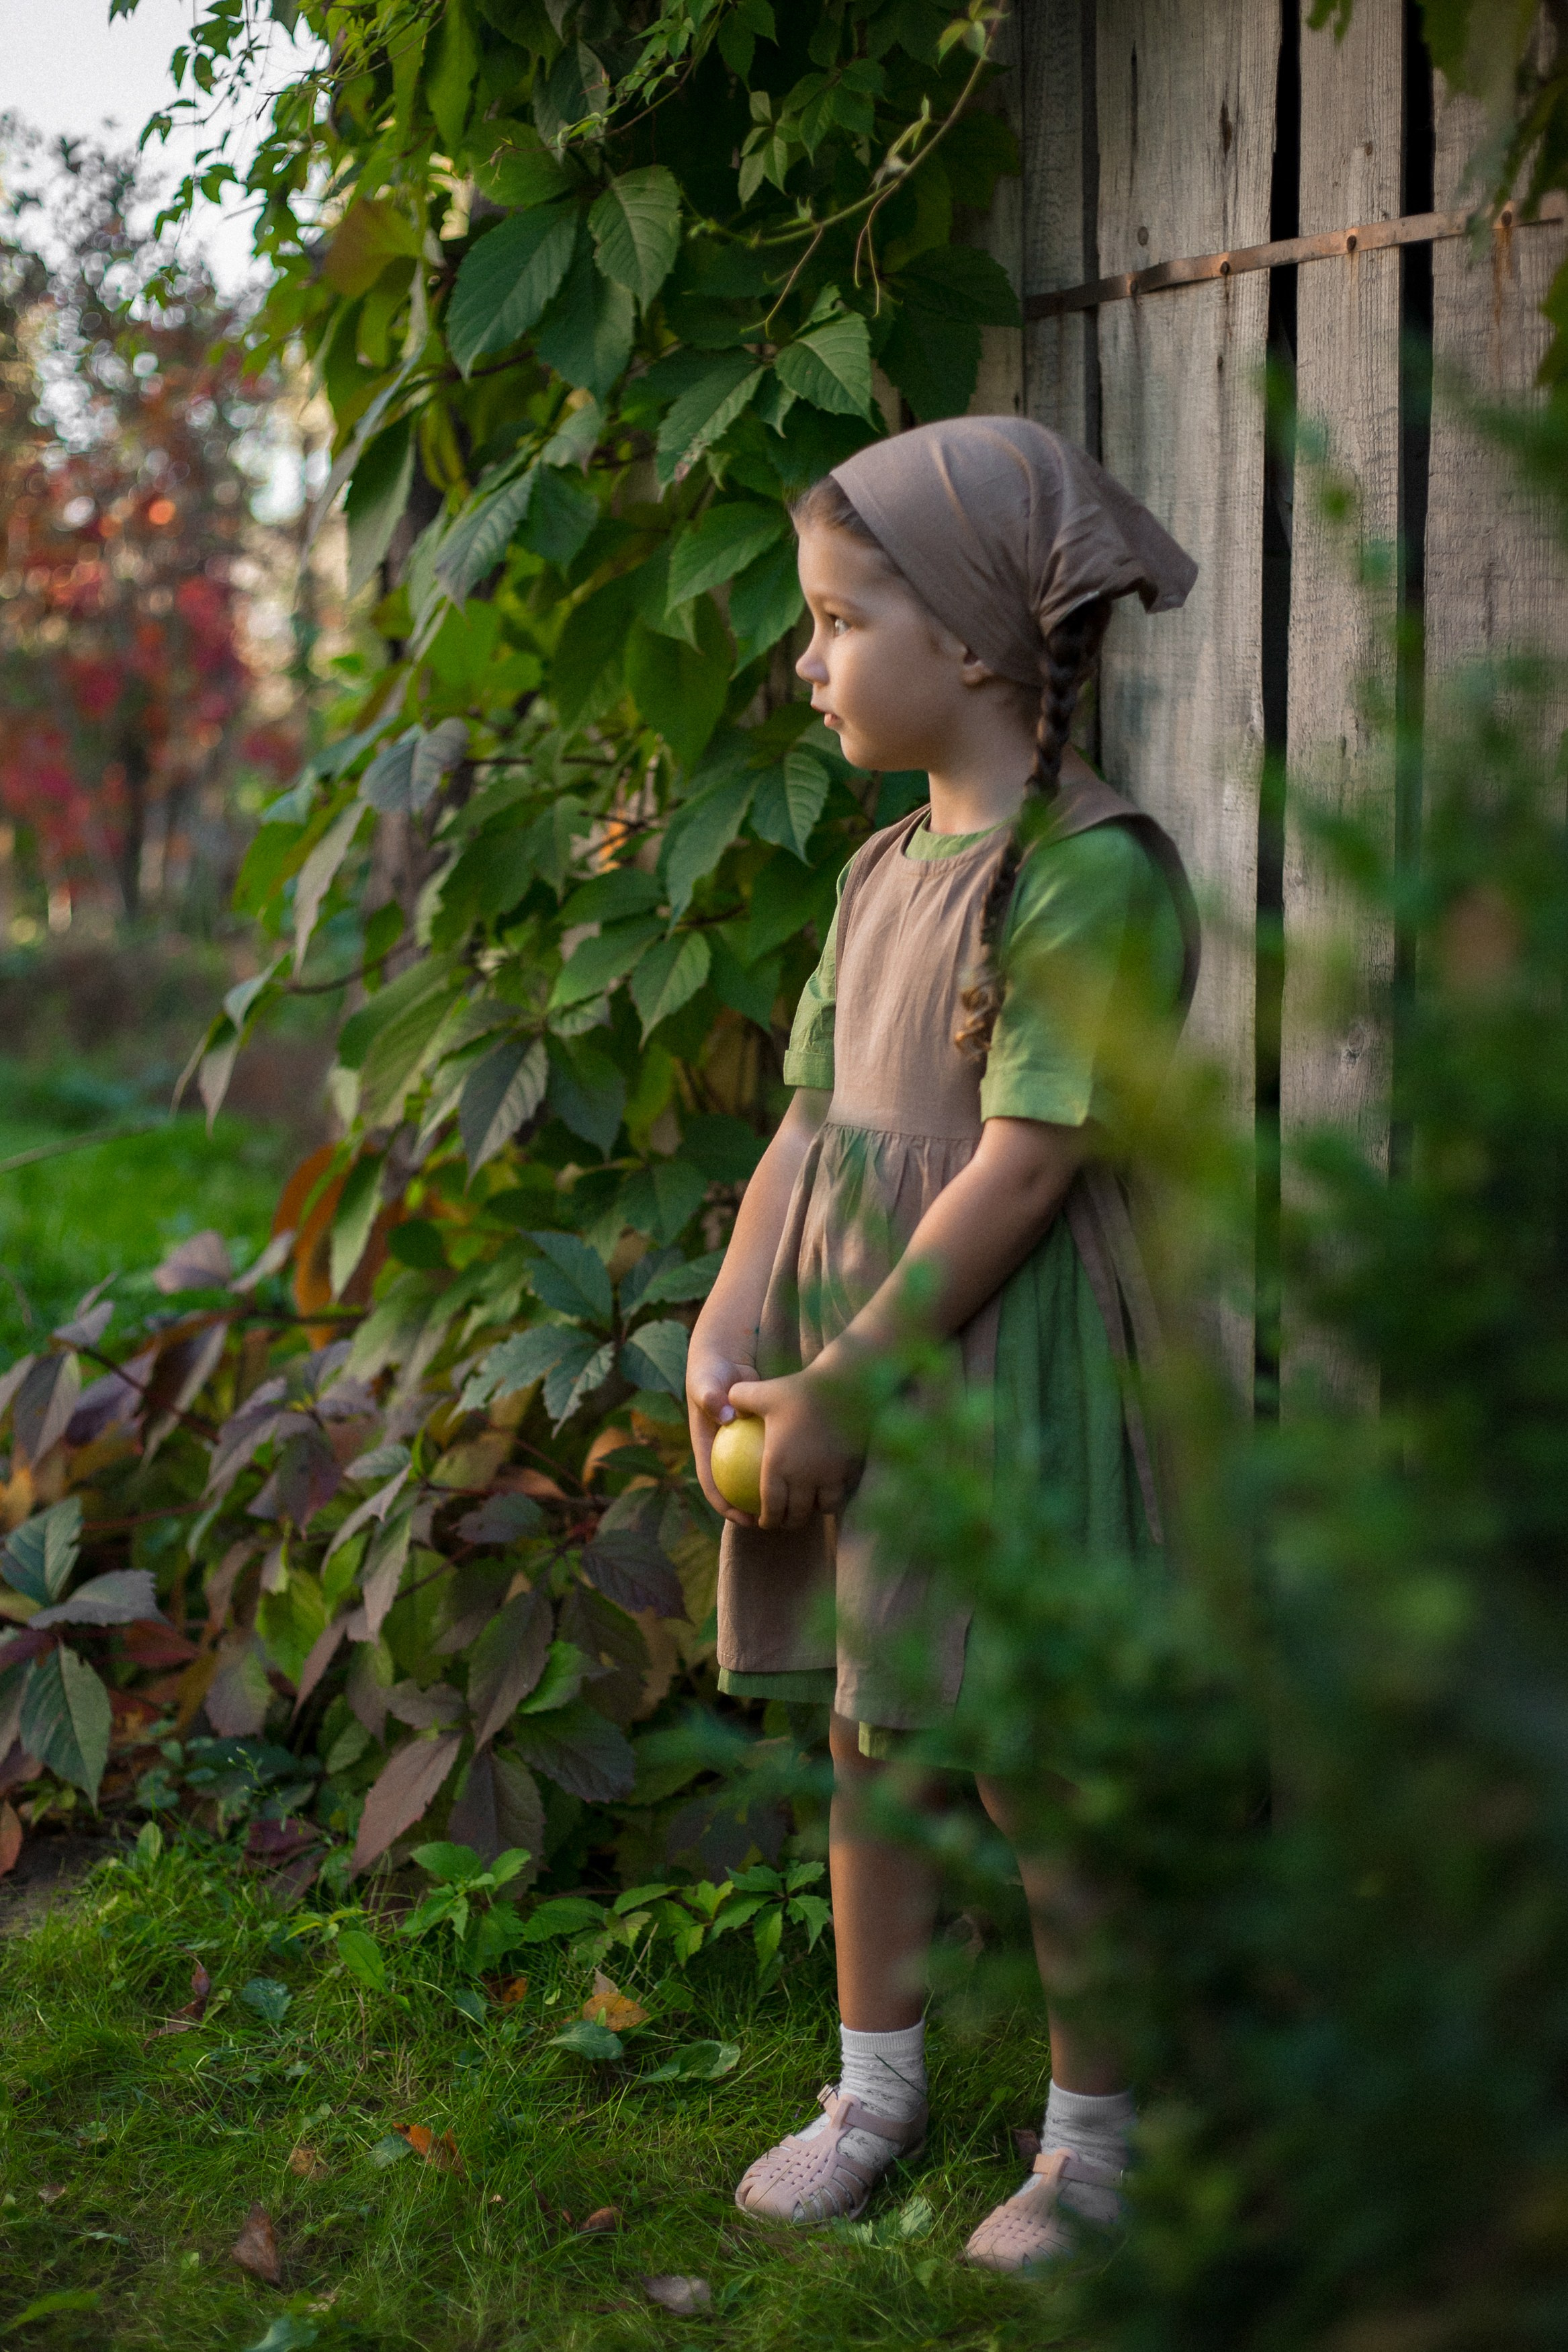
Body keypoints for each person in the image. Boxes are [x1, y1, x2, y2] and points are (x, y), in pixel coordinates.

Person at [684, 415, 1201, 2271]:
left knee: (1032, 1760)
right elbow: (808, 1129)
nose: (808, 662)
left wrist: (846, 1380)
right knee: (872, 1742)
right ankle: (874, 2090)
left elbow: (1026, 1164)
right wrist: (742, 1317)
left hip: (1001, 1383)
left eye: (833, 622)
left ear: (972, 640)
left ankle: (1098, 2143)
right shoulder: (879, 872)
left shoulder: (1089, 871)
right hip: (861, 1375)